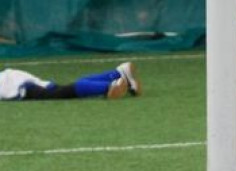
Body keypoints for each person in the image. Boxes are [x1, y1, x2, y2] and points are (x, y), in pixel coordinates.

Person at [0, 62, 141, 100]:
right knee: (59, 90)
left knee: (58, 92)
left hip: (13, 85)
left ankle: (107, 87)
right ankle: (118, 74)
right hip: (12, 80)